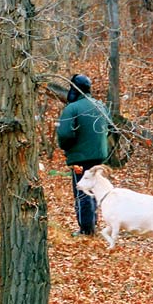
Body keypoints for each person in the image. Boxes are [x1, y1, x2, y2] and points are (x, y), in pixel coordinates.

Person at [56, 74, 110, 236]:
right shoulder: (100, 105)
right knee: (95, 190)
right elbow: (110, 128)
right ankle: (93, 224)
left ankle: (86, 230)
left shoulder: (72, 108)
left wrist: (67, 148)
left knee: (83, 192)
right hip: (99, 156)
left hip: (80, 158)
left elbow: (64, 135)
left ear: (74, 89)